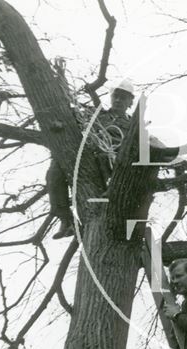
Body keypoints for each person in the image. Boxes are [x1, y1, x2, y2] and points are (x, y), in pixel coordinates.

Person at [47, 80, 136, 239]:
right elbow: (72, 111)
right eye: (116, 96)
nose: (118, 100)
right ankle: (66, 220)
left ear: (130, 102)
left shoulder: (132, 125)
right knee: (54, 172)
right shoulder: (97, 115)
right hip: (89, 155)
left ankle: (108, 201)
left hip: (112, 161)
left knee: (103, 159)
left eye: (123, 98)